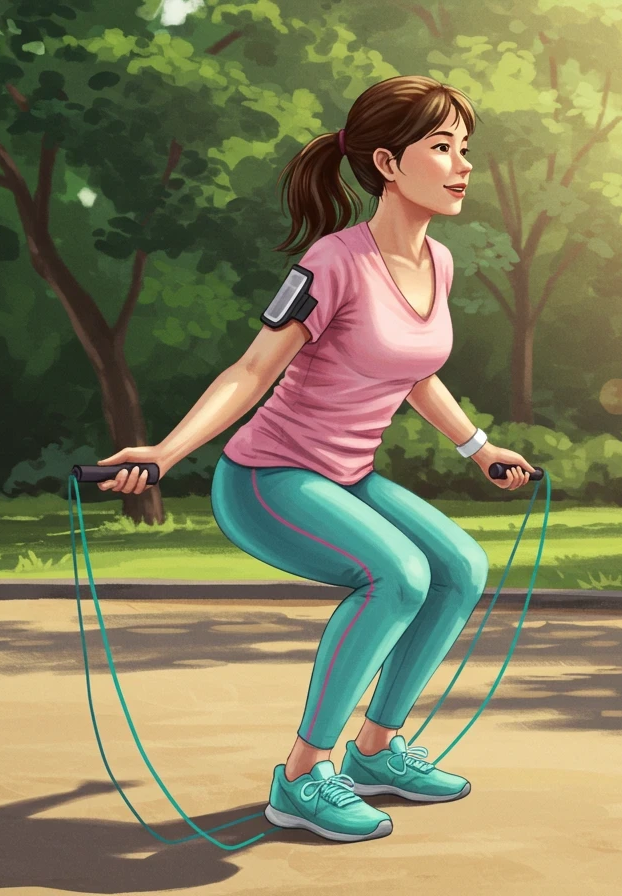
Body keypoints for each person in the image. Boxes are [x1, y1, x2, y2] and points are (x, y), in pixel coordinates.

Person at [97, 75, 537, 844]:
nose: (463, 165)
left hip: (348, 477)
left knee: (460, 568)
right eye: (442, 147)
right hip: (270, 480)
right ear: (388, 164)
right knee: (396, 576)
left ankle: (375, 755)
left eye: (465, 148)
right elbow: (251, 370)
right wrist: (165, 453)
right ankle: (302, 778)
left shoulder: (439, 263)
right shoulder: (332, 262)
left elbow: (414, 371)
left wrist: (478, 448)